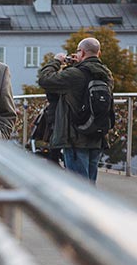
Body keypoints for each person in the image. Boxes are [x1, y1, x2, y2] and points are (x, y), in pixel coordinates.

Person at [37, 37, 113, 183]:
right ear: (99, 53)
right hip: (97, 137)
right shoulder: (106, 74)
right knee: (90, 185)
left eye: (78, 52)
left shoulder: (75, 75)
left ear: (82, 52)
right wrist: (76, 65)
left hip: (75, 138)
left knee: (78, 187)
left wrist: (57, 61)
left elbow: (44, 79)